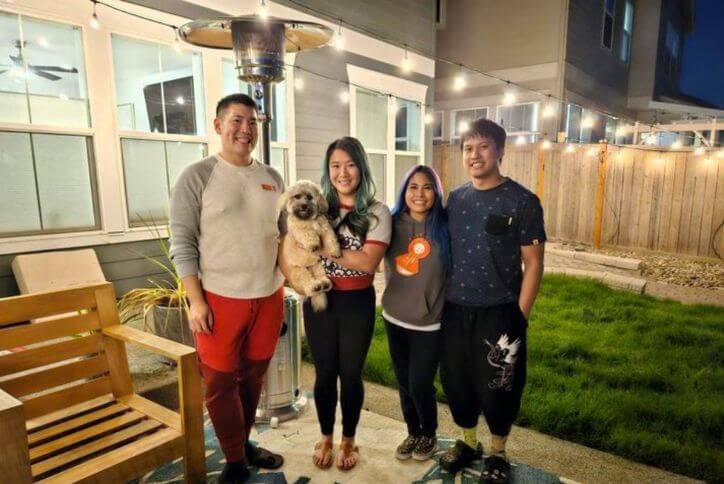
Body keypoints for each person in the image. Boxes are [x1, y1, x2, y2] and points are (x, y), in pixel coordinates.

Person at [169, 93, 286, 483]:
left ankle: (244, 441)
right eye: (237, 121)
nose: (245, 130)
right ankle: (235, 460)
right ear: (219, 125)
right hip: (219, 299)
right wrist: (196, 300)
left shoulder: (273, 178)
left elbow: (285, 237)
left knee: (253, 379)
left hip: (268, 295)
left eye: (252, 122)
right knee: (220, 383)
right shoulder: (197, 176)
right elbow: (182, 241)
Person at [438, 118, 546, 484]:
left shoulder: (523, 201)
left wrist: (521, 315)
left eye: (483, 147)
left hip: (501, 312)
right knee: (456, 381)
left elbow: (534, 263)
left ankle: (498, 453)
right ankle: (468, 442)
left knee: (500, 386)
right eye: (468, 148)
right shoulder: (455, 199)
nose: (475, 155)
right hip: (455, 309)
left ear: (500, 151)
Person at [298, 137, 391, 471]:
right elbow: (294, 243)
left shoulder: (377, 211)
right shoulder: (318, 208)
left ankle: (349, 437)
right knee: (324, 373)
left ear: (361, 167)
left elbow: (368, 263)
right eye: (335, 165)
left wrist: (323, 250)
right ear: (328, 170)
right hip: (320, 299)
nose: (342, 172)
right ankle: (325, 435)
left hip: (356, 302)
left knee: (350, 374)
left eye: (350, 164)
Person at [381, 165, 450, 462]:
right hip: (394, 316)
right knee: (403, 380)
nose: (419, 194)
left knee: (420, 382)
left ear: (435, 192)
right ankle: (412, 431)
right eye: (413, 187)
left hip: (430, 322)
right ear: (404, 191)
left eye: (426, 187)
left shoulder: (447, 227)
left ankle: (429, 433)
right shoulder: (390, 223)